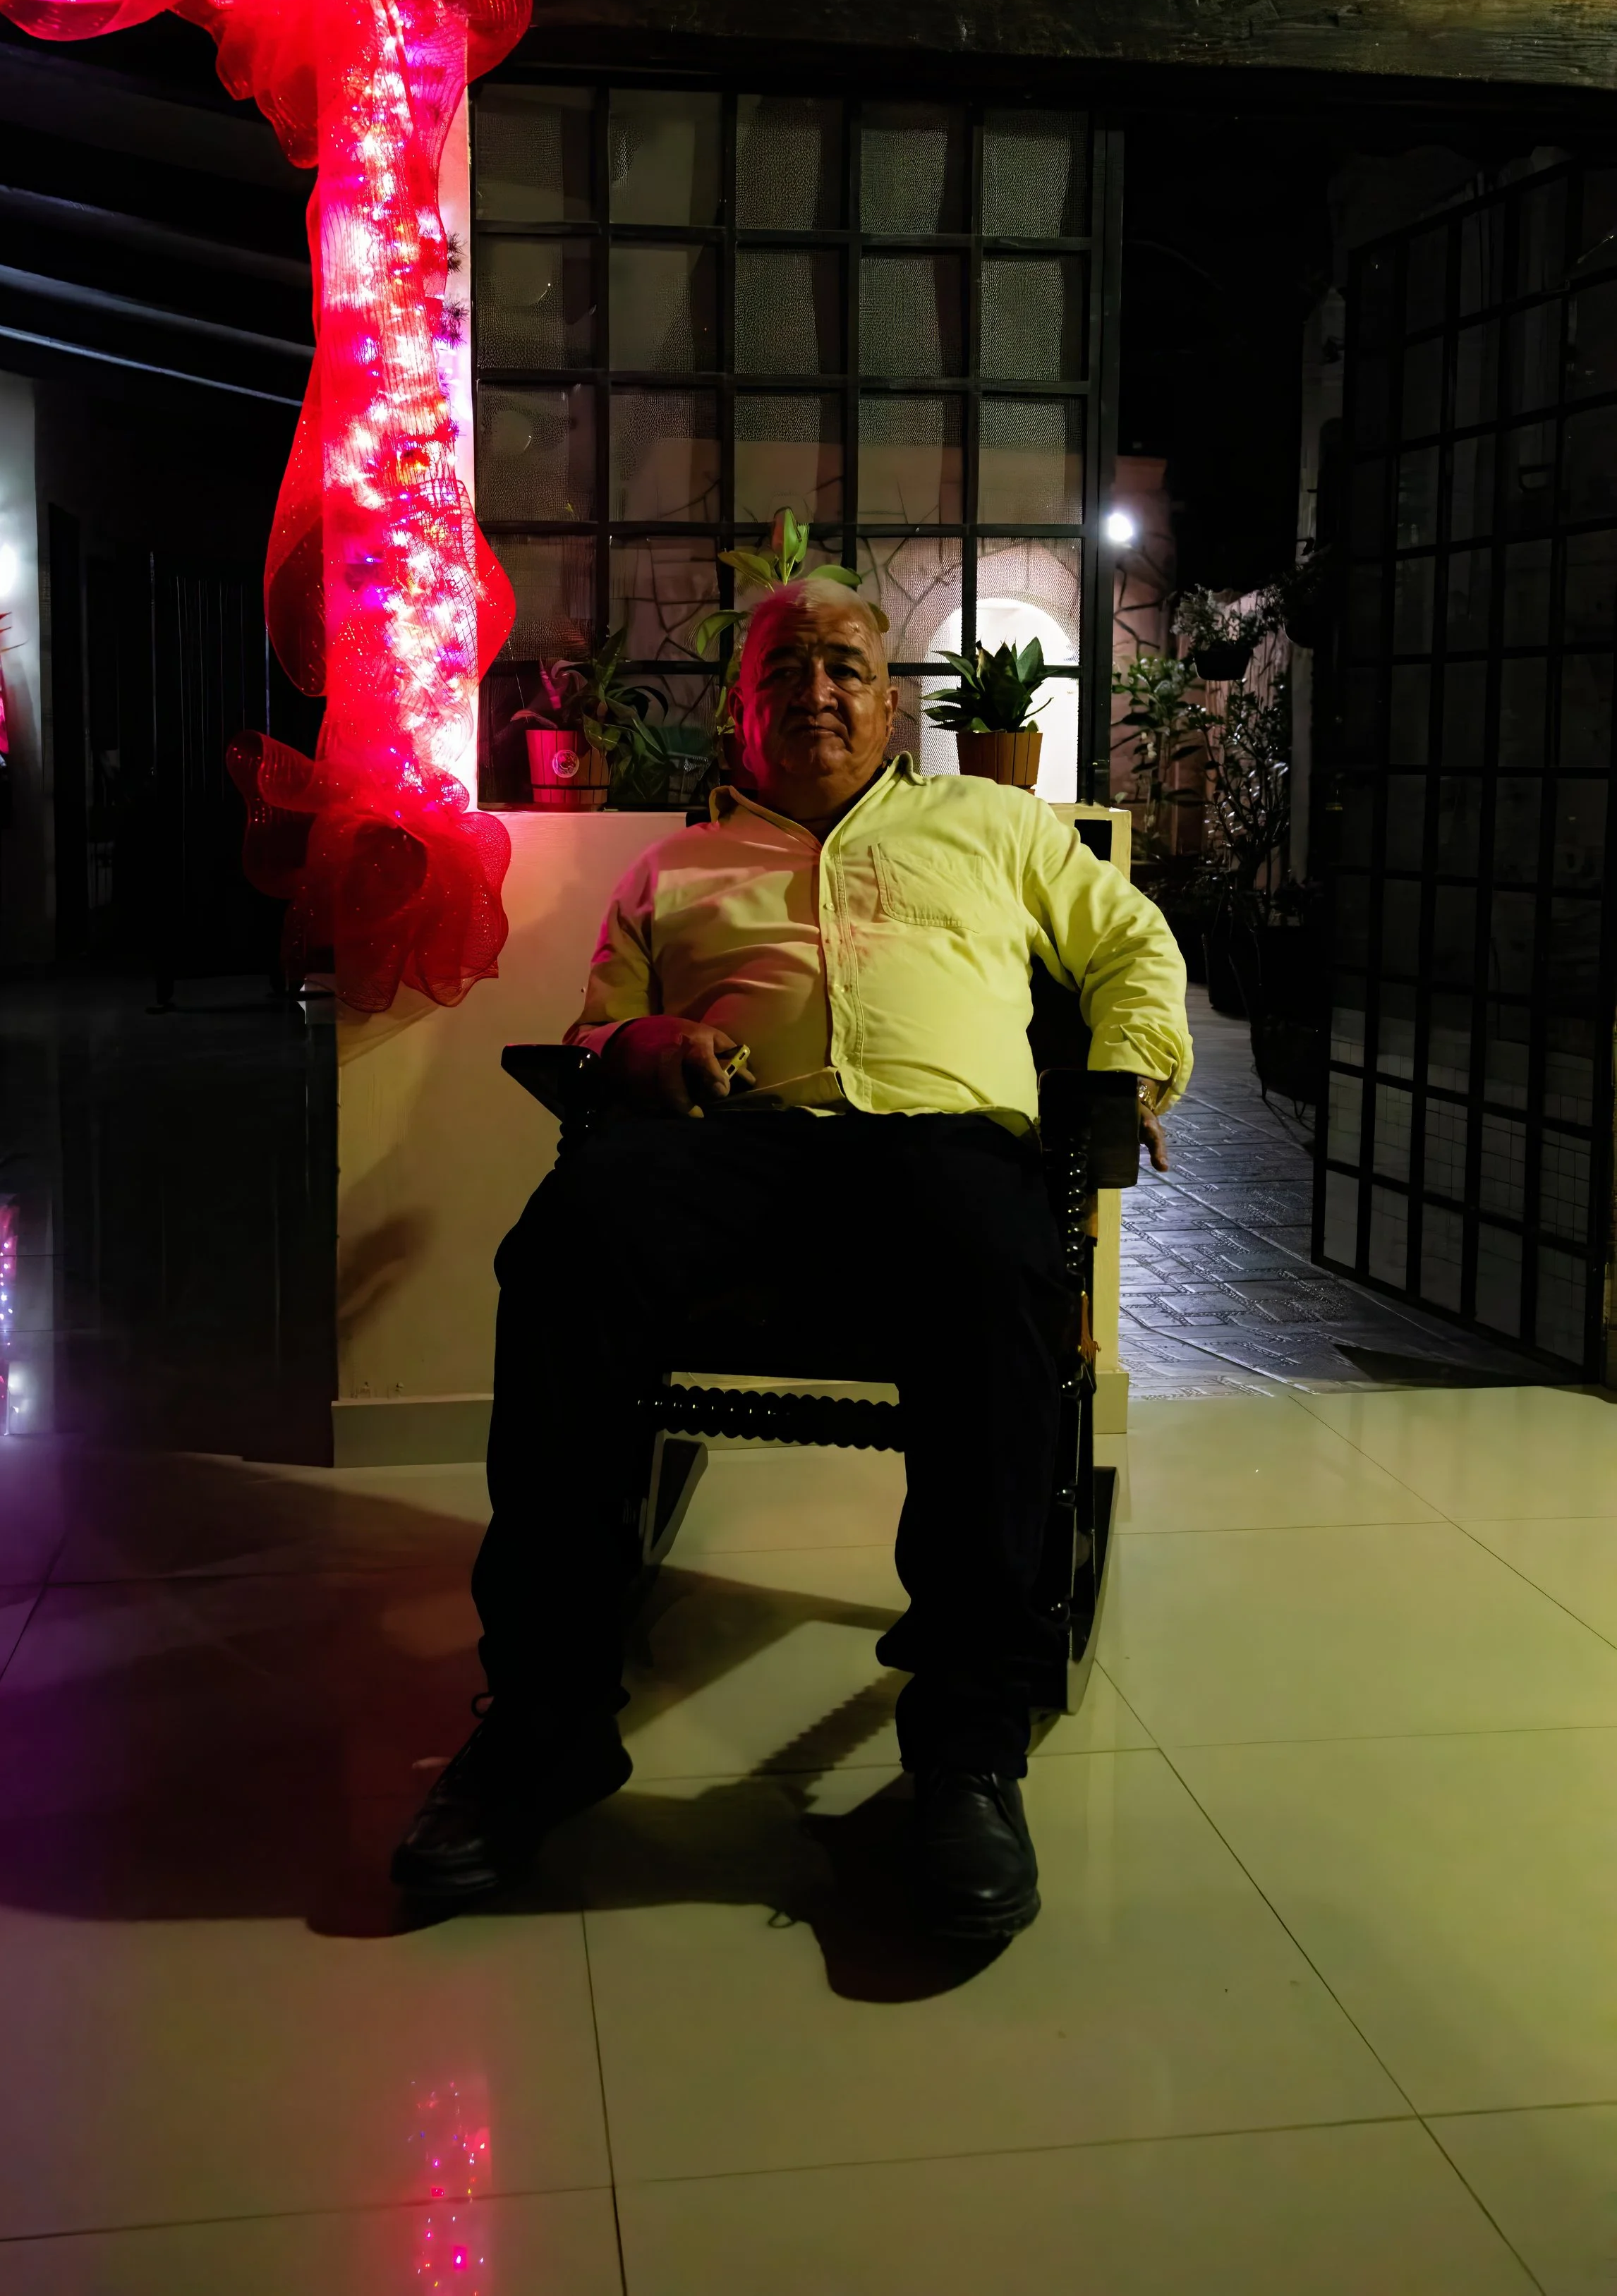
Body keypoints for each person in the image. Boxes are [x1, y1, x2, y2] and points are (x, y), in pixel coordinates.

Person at [394, 578, 1192, 1940]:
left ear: (889, 702)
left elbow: (1130, 943)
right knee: (567, 1245)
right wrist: (638, 1043)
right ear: (741, 710)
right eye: (783, 671)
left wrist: (1124, 1075)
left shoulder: (998, 824)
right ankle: (544, 1720)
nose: (815, 689)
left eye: (843, 665)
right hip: (739, 1139)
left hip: (945, 1142)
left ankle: (968, 1745)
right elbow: (598, 1028)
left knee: (998, 1269)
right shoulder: (672, 869)